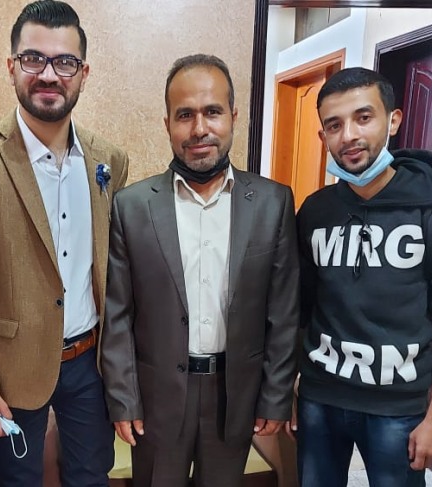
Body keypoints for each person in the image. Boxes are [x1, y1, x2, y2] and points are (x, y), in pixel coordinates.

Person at [0, 1, 129, 485]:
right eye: (33, 59)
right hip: (11, 369)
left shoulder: (109, 160)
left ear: (83, 73)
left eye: (64, 62)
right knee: (17, 480)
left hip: (89, 362)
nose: (48, 74)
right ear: (11, 67)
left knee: (92, 476)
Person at [99, 54, 300, 487]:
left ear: (233, 117)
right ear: (167, 123)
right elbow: (118, 316)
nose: (199, 129)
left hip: (236, 395)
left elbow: (283, 313)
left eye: (212, 112)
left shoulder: (273, 202)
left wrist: (276, 395)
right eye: (184, 115)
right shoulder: (132, 207)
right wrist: (123, 398)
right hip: (156, 399)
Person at [293, 67, 432, 487]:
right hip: (320, 398)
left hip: (398, 407)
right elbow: (300, 306)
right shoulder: (315, 211)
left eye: (363, 117)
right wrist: (291, 389)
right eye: (334, 125)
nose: (349, 136)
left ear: (393, 120)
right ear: (323, 137)